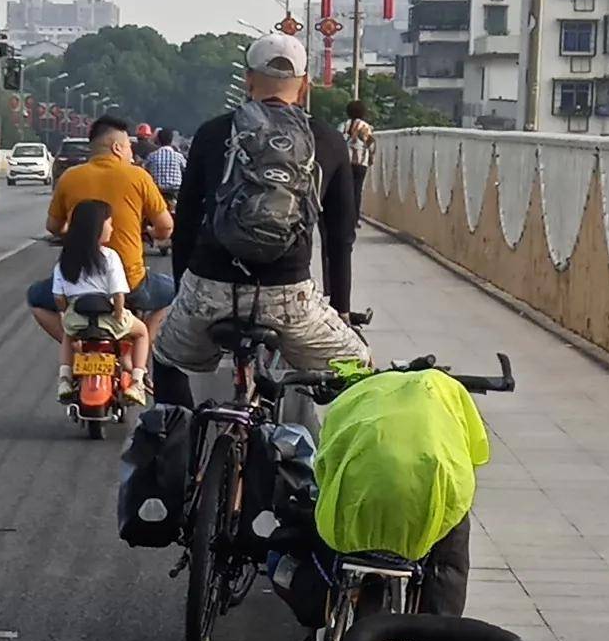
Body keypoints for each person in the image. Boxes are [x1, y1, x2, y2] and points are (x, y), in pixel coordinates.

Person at [160, 33, 369, 398]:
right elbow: (339, 239)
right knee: (358, 365)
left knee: (165, 356)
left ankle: (175, 437)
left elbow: (186, 225)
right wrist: (342, 309)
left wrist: (185, 293)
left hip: (210, 288)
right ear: (304, 85)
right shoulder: (328, 140)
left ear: (248, 79)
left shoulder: (212, 134)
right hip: (288, 296)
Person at [34, 112, 176, 383]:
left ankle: (75, 345)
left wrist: (74, 231)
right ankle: (133, 350)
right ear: (117, 147)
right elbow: (166, 227)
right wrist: (153, 233)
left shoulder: (71, 177)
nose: (132, 154)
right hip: (132, 282)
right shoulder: (139, 177)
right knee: (174, 293)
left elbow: (54, 226)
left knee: (35, 299)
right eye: (129, 148)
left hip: (78, 281)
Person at [319, 103, 376, 330]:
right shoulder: (365, 127)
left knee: (343, 195)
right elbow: (371, 145)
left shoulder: (341, 127)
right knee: (356, 193)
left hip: (341, 164)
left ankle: (348, 215)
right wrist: (369, 159)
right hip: (358, 164)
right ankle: (353, 217)